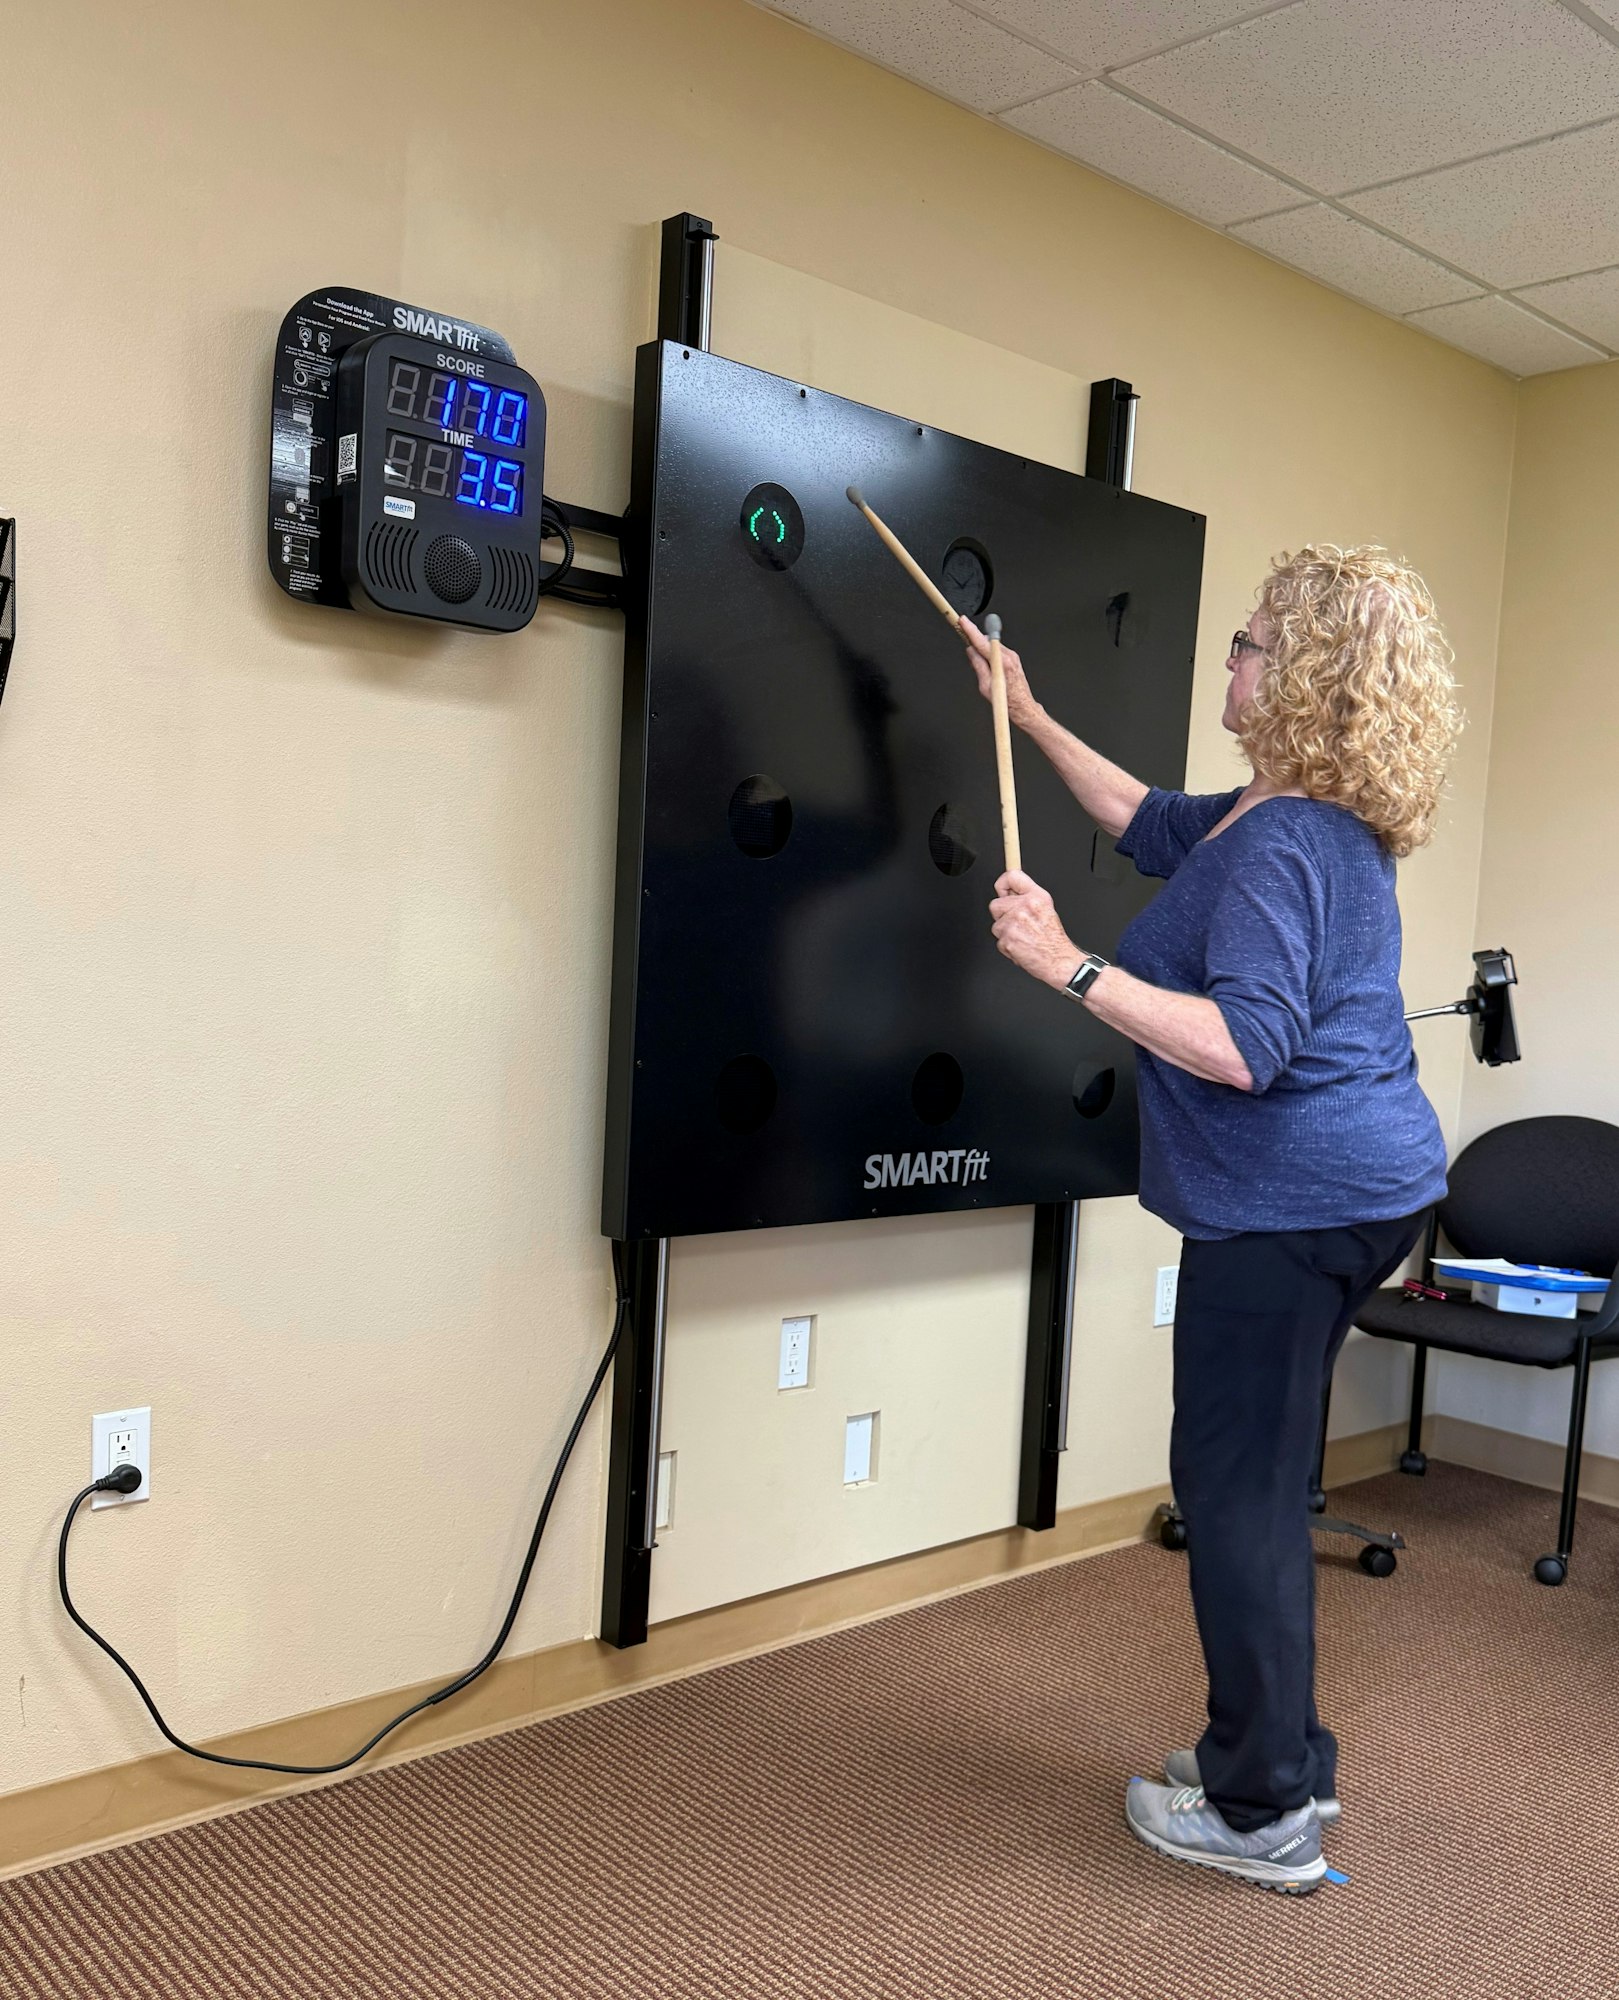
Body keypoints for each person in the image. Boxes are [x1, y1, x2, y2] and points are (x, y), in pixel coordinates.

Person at [959, 544, 1461, 1896]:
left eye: (1248, 644)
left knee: (1230, 1493)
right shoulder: (1277, 812)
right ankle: (1285, 1749)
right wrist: (1028, 711)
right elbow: (1145, 819)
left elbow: (1245, 1046)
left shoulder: (1289, 845)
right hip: (1363, 1190)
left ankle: (1260, 1811)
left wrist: (1068, 965)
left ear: (1298, 678)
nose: (1229, 660)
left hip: (1295, 1209)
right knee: (1261, 1475)